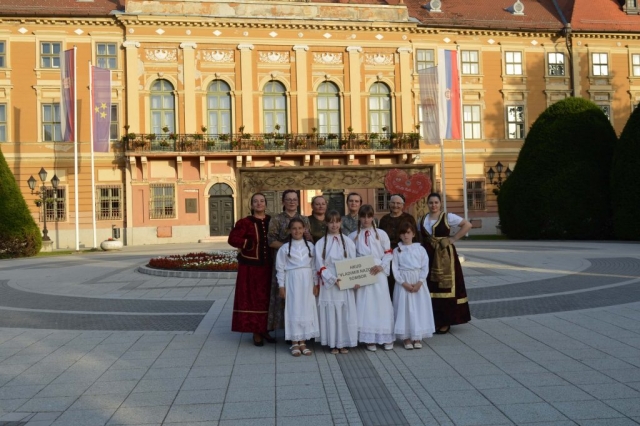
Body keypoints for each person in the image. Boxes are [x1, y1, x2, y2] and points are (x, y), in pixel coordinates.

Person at [418, 192, 472, 334]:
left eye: (436, 202)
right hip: (429, 255)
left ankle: (446, 320)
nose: (433, 205)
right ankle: (434, 320)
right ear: (427, 204)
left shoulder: (448, 217)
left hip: (445, 256)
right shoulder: (422, 219)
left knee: (445, 287)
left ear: (440, 203)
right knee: (431, 286)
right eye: (431, 203)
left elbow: (467, 225)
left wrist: (453, 238)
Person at [228, 193, 274, 346]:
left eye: (262, 201)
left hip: (268, 267)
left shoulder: (271, 221)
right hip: (250, 268)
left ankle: (265, 329)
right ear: (252, 205)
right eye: (256, 201)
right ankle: (256, 332)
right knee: (253, 299)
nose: (259, 204)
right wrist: (248, 243)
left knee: (267, 299)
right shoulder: (244, 222)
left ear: (266, 204)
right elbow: (232, 239)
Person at [348, 204, 395, 352]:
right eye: (363, 216)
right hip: (362, 271)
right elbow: (350, 258)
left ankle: (385, 336)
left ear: (373, 217)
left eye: (369, 216)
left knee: (381, 303)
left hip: (378, 270)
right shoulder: (353, 236)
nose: (366, 220)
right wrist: (353, 277)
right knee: (365, 304)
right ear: (359, 217)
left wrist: (382, 265)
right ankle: (369, 338)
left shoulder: (381, 234)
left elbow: (388, 252)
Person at [267, 190, 312, 335]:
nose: (292, 202)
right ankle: (288, 332)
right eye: (288, 199)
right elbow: (271, 240)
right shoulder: (276, 219)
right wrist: (289, 249)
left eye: (294, 199)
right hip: (285, 263)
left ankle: (304, 330)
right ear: (283, 202)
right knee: (284, 297)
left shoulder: (304, 219)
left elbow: (308, 240)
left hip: (302, 264)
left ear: (298, 202)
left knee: (302, 299)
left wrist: (300, 246)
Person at [315, 210, 358, 354]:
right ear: (326, 223)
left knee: (344, 311)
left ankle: (343, 342)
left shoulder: (348, 242)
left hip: (345, 281)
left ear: (341, 222)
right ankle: (333, 343)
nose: (334, 225)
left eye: (337, 221)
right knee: (332, 312)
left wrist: (354, 280)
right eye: (331, 222)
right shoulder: (320, 243)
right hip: (330, 283)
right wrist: (333, 280)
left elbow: (353, 263)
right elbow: (319, 265)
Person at [276, 218, 320, 356]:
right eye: (294, 228)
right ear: (289, 230)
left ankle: (303, 341)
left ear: (304, 229)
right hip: (292, 280)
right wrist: (281, 286)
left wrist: (315, 283)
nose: (297, 231)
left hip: (307, 281)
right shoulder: (284, 248)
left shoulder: (310, 246)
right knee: (294, 308)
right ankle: (295, 342)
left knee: (306, 308)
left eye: (300, 228)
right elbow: (280, 268)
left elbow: (314, 267)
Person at [392, 221, 435, 349]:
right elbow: (395, 269)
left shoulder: (420, 249)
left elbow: (425, 267)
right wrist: (403, 283)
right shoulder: (397, 251)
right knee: (404, 309)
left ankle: (417, 336)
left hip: (418, 282)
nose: (406, 236)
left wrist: (420, 282)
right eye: (403, 233)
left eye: (408, 233)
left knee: (418, 308)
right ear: (400, 235)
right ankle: (405, 337)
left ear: (413, 234)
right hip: (403, 283)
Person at [378, 193, 419, 296]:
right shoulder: (384, 219)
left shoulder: (409, 218)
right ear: (389, 203)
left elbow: (415, 238)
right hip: (388, 255)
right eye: (393, 203)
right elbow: (380, 238)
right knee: (390, 281)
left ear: (403, 205)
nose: (395, 205)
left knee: (403, 280)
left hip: (404, 255)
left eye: (398, 203)